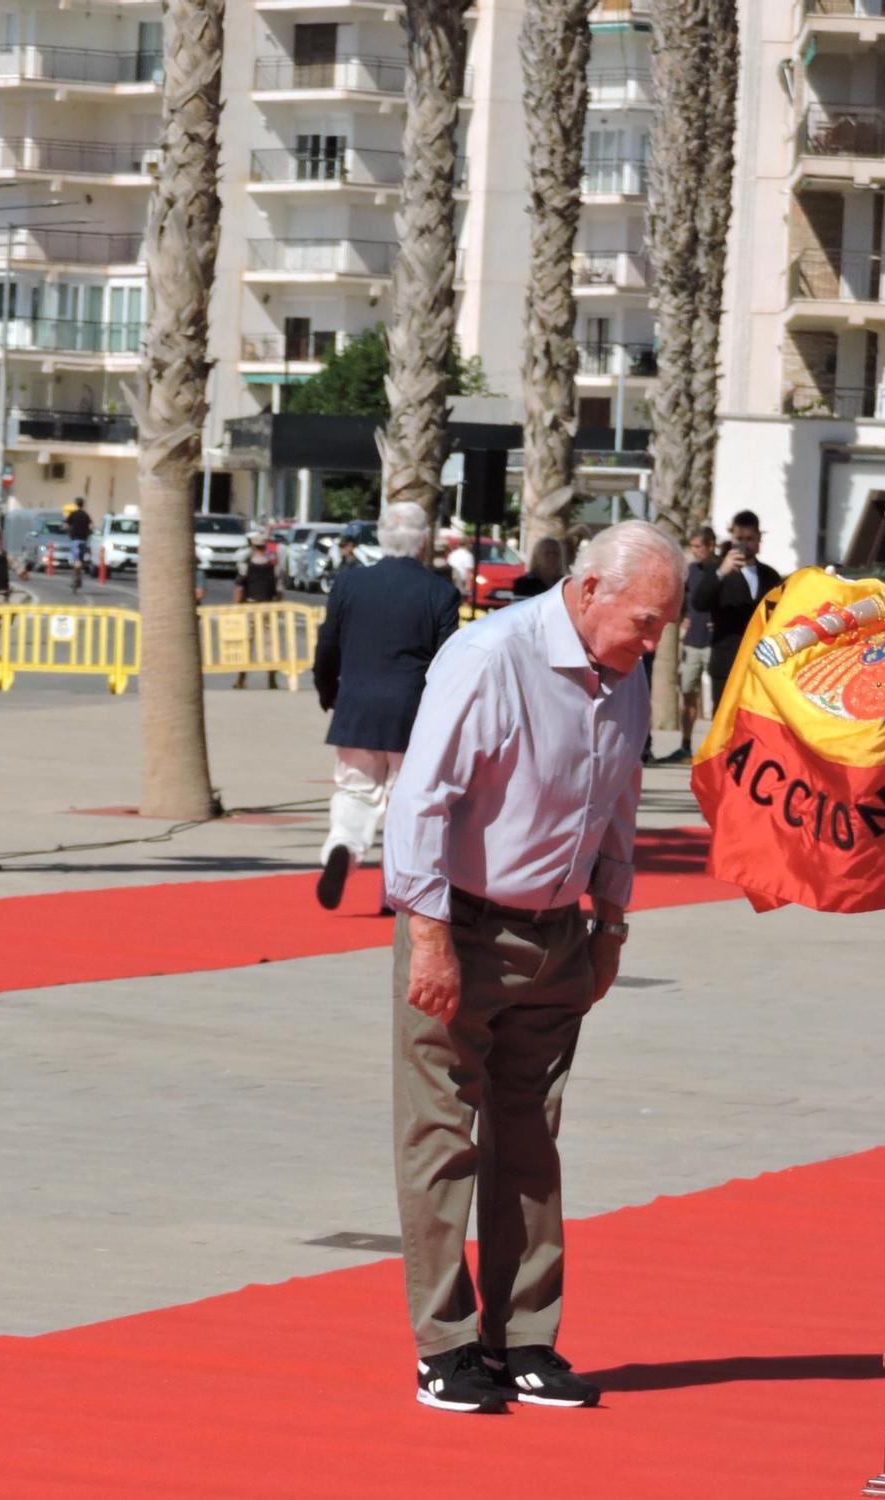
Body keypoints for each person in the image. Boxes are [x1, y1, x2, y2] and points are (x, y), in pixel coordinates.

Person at [382, 519, 684, 1414]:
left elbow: (620, 804)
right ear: (590, 593)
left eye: (665, 625)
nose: (653, 641)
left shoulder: (621, 675)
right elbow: (423, 800)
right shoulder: (489, 657)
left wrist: (613, 925)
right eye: (644, 621)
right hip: (463, 927)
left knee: (530, 1140)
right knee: (442, 1136)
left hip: (560, 933)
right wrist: (429, 934)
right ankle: (445, 1346)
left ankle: (523, 1339)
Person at [311, 502, 460, 911]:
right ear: (424, 541)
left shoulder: (349, 584)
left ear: (379, 537)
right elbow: (448, 661)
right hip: (413, 712)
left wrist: (328, 692)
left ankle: (343, 845)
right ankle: (394, 891)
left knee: (354, 788)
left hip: (356, 706)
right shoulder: (440, 592)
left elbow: (328, 646)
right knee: (404, 800)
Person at [690, 509, 784, 697]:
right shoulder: (717, 569)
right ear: (732, 538)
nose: (744, 544)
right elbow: (699, 603)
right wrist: (721, 573)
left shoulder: (770, 575)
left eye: (749, 539)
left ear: (758, 539)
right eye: (739, 538)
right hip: (726, 663)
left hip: (761, 664)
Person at [665, 526, 719, 763]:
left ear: (710, 546)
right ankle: (686, 745)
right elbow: (682, 600)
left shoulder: (723, 570)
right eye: (692, 547)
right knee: (687, 692)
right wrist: (683, 618)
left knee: (720, 698)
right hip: (692, 641)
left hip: (717, 643)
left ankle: (718, 748)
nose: (695, 552)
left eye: (698, 547)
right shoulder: (690, 572)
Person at [233, 538, 282, 688]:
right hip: (268, 606)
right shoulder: (274, 567)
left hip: (250, 606)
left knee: (246, 642)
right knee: (269, 643)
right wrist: (278, 607)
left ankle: (241, 679)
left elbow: (239, 588)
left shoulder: (246, 566)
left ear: (253, 547)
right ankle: (271, 678)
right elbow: (279, 590)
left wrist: (236, 606)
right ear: (265, 547)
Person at [65, 498, 94, 593]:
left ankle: (76, 579)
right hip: (83, 541)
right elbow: (91, 526)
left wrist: (69, 531)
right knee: (81, 560)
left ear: (76, 504)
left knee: (75, 560)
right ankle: (79, 578)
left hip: (75, 540)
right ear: (83, 505)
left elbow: (66, 525)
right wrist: (88, 533)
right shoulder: (86, 515)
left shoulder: (73, 514)